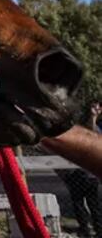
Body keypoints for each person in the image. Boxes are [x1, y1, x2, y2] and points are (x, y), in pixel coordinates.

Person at [48, 102, 102, 237]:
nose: (94, 109)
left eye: (97, 107)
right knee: (78, 203)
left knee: (93, 204)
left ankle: (97, 229)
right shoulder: (76, 127)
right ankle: (86, 229)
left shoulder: (96, 130)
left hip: (89, 175)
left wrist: (93, 117)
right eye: (92, 107)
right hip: (76, 173)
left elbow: (92, 136)